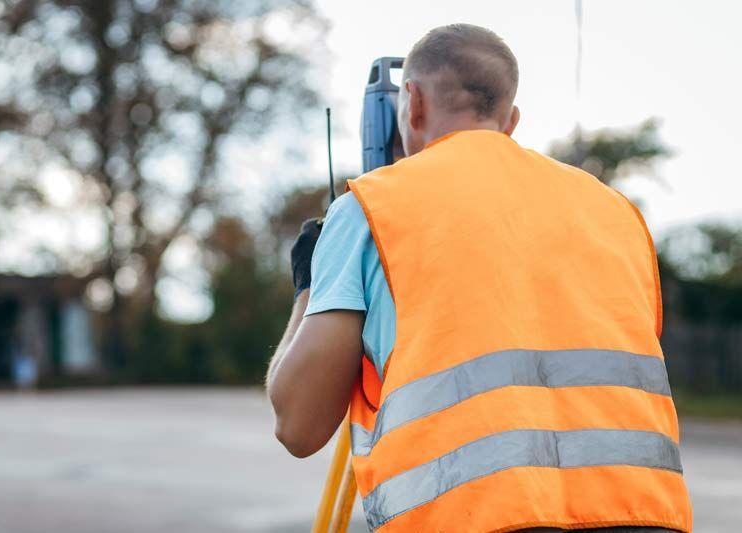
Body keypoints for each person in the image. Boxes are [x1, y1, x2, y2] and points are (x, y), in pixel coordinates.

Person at [266, 24, 691, 533]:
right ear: (510, 120)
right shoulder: (616, 212)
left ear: (413, 103)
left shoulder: (371, 207)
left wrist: (310, 285)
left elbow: (299, 425)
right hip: (643, 516)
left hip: (471, 519)